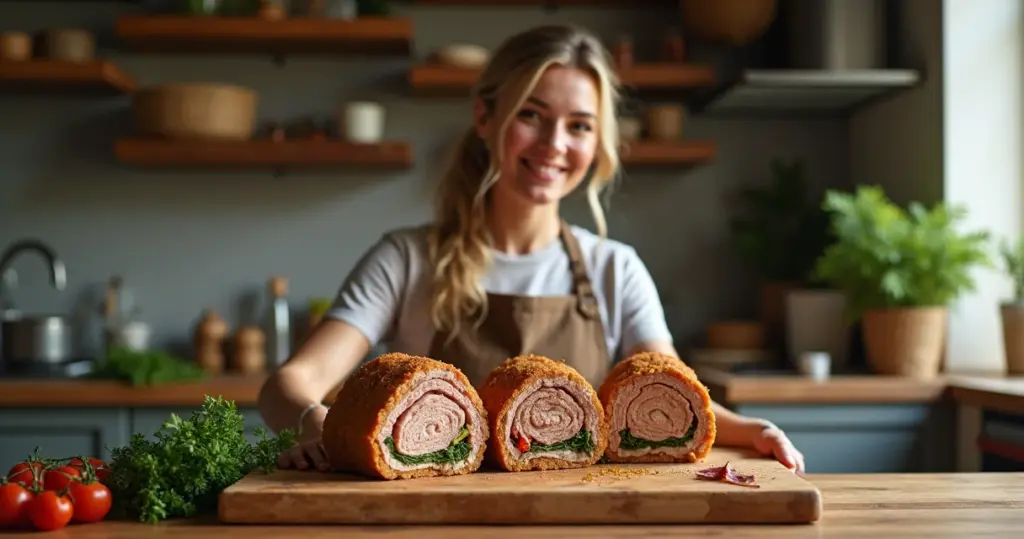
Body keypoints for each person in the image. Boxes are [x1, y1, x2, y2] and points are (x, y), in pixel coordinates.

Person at [258, 23, 805, 475]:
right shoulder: (406, 259)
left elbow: (672, 387)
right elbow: (288, 385)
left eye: (579, 126)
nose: (554, 145)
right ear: (484, 118)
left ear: (597, 146)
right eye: (531, 115)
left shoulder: (615, 269)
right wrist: (317, 424)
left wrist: (751, 429)